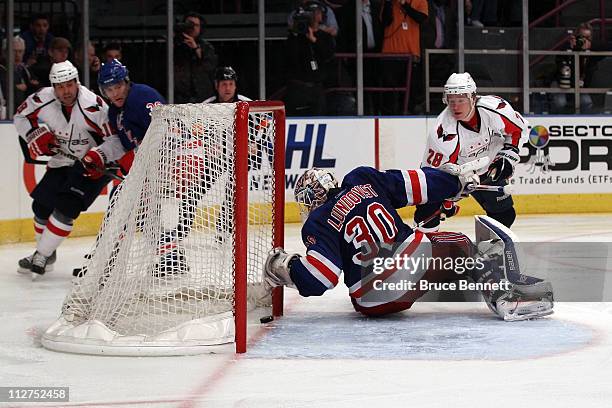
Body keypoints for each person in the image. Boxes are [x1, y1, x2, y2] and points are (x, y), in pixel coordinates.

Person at [264, 166, 553, 321]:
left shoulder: (317, 222)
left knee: (429, 258)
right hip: (409, 262)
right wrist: (455, 184)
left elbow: (319, 281)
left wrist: (286, 266)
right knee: (462, 246)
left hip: (370, 302)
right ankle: (505, 293)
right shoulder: (361, 179)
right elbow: (418, 184)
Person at [14, 61, 115, 278]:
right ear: (53, 86)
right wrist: (35, 134)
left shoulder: (94, 106)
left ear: (77, 82)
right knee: (41, 207)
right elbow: (21, 116)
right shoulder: (43, 97)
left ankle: (40, 255)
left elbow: (113, 138)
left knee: (67, 207)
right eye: (60, 86)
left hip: (92, 165)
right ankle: (47, 255)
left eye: (69, 85)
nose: (65, 91)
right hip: (62, 160)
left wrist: (102, 156)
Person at [414, 72, 528, 231]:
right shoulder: (443, 132)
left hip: (489, 168)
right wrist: (447, 200)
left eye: (461, 100)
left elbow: (518, 131)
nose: (455, 106)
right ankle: (429, 247)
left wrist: (507, 157)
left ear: (473, 98)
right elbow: (430, 176)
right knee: (426, 215)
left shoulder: (495, 109)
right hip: (454, 173)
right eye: (451, 101)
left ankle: (489, 251)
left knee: (504, 215)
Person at [285, 1, 336, 116]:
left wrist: (314, 40)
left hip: (316, 86)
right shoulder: (296, 37)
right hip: (298, 85)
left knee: (319, 115)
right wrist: (295, 33)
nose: (313, 16)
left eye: (316, 13)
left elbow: (329, 55)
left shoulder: (325, 36)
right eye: (311, 13)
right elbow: (290, 56)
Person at [551, 23, 602, 114]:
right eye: (582, 37)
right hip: (562, 83)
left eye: (588, 38)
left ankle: (583, 122)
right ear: (575, 36)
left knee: (587, 102)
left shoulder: (592, 50)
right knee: (560, 103)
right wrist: (569, 47)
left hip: (580, 85)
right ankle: (558, 121)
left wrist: (591, 46)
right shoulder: (567, 47)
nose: (583, 40)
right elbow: (558, 60)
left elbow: (607, 47)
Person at [173, 12, 218, 103]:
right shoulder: (175, 44)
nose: (192, 28)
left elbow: (210, 67)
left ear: (200, 28)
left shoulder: (206, 47)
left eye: (196, 25)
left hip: (202, 96)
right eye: (189, 24)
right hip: (180, 97)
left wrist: (195, 48)